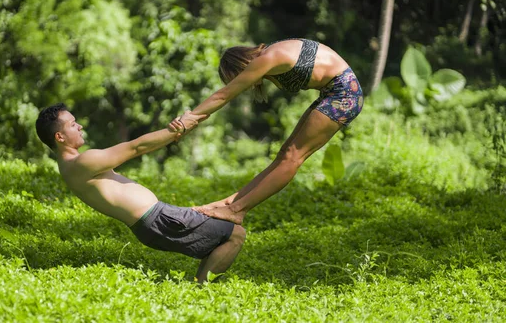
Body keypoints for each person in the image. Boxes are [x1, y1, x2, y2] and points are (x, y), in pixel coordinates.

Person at [35, 103, 246, 283]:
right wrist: (176, 129)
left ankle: (198, 287)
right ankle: (201, 290)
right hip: (158, 219)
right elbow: (136, 147)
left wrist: (173, 132)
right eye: (73, 124)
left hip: (153, 222)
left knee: (220, 236)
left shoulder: (70, 167)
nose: (80, 126)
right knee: (236, 234)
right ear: (60, 136)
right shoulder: (82, 162)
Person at [170, 38, 363, 225]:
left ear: (241, 65)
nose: (246, 85)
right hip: (333, 92)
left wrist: (189, 118)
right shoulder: (269, 53)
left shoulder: (268, 58)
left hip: (345, 94)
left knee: (293, 157)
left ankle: (237, 211)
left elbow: (223, 96)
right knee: (283, 155)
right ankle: (229, 203)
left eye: (236, 78)